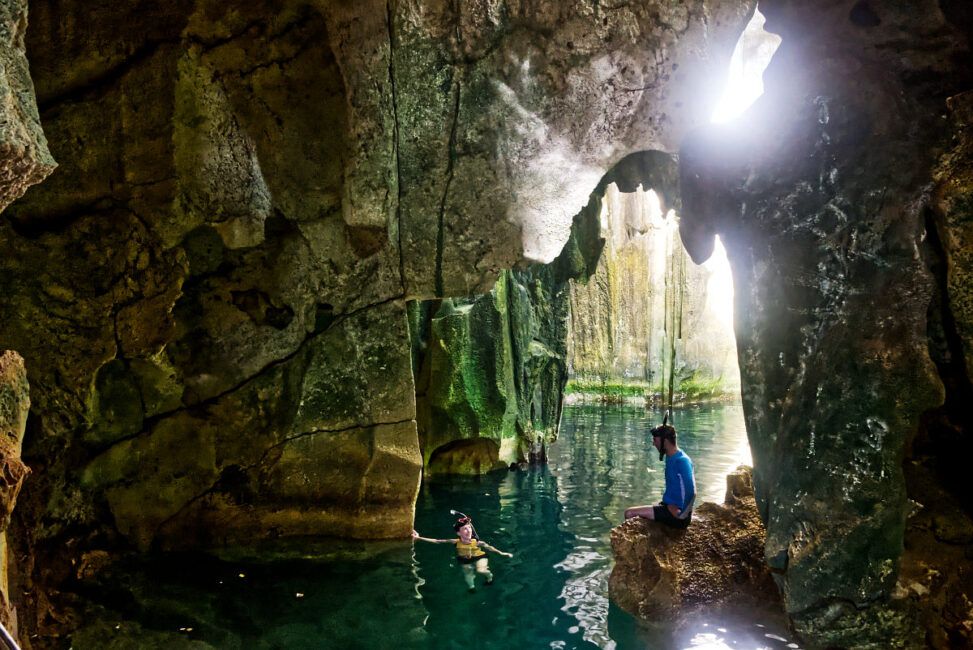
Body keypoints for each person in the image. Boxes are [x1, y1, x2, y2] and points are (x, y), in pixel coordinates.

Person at [624, 417, 696, 528]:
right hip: (667, 507)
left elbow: (692, 492)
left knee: (629, 513)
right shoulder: (670, 456)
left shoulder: (682, 461)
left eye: (655, 440)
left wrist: (682, 515)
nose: (653, 444)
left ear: (665, 441)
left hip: (678, 515)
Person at [412, 515, 513, 592]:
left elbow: (490, 548)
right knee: (467, 571)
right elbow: (437, 541)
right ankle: (472, 587)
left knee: (481, 570)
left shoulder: (477, 542)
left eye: (469, 527)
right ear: (459, 533)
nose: (468, 530)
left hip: (479, 556)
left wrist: (502, 553)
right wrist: (419, 538)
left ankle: (489, 578)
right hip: (464, 559)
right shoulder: (455, 542)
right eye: (465, 528)